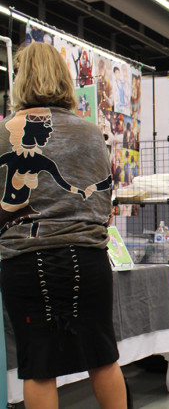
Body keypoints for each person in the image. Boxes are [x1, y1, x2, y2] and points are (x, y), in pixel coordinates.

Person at [0, 42, 126, 408]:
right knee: (103, 356)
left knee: (39, 366)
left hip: (23, 261)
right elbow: (105, 204)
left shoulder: (4, 132)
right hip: (88, 259)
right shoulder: (91, 133)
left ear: (21, 78)